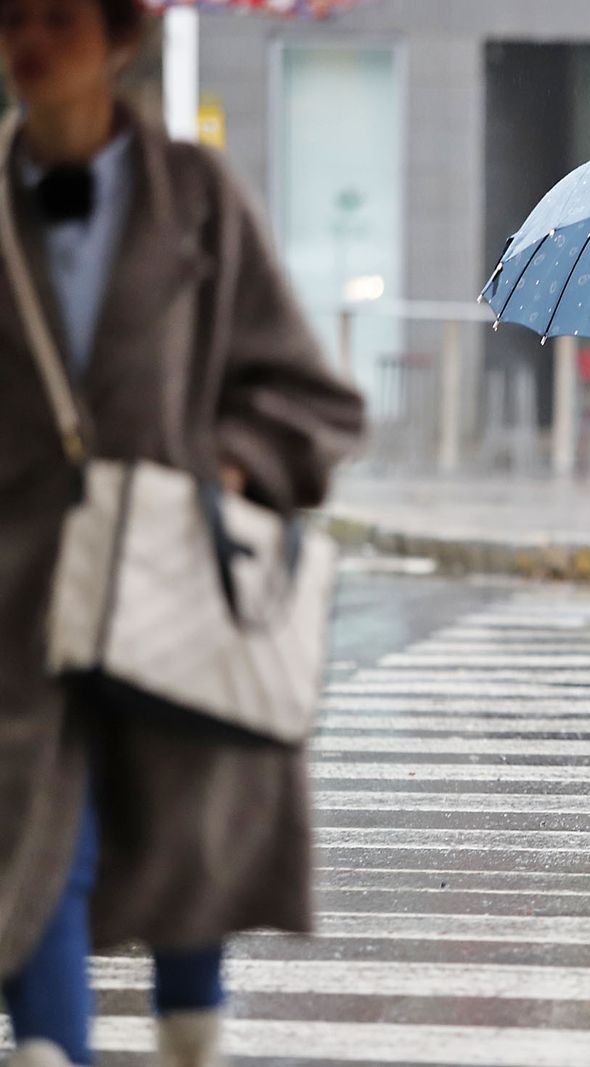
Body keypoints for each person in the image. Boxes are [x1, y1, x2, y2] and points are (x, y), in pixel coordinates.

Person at [0, 1, 366, 1065]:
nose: (31, 40)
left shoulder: (195, 197)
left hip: (169, 564)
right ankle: (48, 1047)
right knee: (31, 834)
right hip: (21, 584)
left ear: (119, 38)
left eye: (60, 17)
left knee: (183, 819)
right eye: (14, 16)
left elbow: (305, 390)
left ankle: (191, 1026)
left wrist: (235, 461)